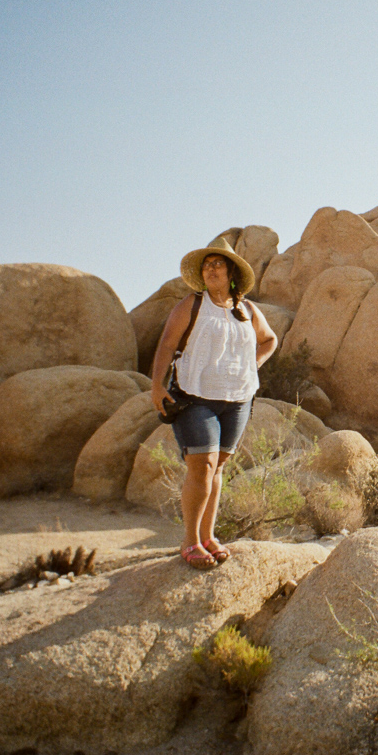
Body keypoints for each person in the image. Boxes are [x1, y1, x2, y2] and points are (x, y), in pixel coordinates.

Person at [150, 237, 277, 569]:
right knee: (202, 467)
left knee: (217, 468)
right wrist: (156, 386)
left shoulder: (248, 310)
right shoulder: (191, 305)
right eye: (207, 265)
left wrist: (253, 365)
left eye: (218, 263)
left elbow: (269, 339)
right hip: (195, 397)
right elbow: (166, 345)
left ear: (232, 271)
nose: (211, 269)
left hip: (237, 399)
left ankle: (208, 536)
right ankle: (190, 541)